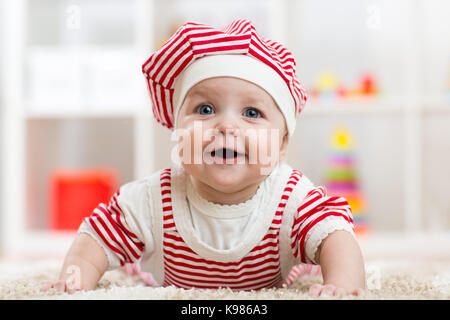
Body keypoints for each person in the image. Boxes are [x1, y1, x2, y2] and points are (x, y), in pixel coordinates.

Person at [41, 19, 365, 297]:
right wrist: (75, 279)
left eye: (252, 113)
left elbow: (334, 233)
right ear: (177, 130)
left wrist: (342, 284)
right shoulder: (154, 200)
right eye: (205, 109)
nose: (226, 125)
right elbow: (97, 236)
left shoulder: (291, 197)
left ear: (281, 145)